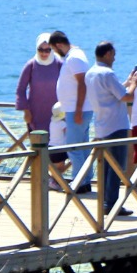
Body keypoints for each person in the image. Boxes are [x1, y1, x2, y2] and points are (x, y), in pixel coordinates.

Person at [84, 41, 137, 215]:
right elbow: (126, 97)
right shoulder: (108, 73)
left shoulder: (91, 73)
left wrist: (127, 81)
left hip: (101, 125)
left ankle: (105, 202)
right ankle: (112, 204)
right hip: (116, 125)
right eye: (113, 54)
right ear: (107, 54)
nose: (114, 58)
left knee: (105, 167)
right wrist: (135, 83)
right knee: (116, 167)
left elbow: (111, 92)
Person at [49, 31, 91, 190]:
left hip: (77, 110)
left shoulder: (74, 58)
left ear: (59, 45)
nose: (55, 53)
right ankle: (85, 180)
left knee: (73, 148)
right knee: (82, 147)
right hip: (76, 109)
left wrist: (78, 110)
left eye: (53, 49)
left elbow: (82, 83)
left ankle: (79, 181)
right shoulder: (74, 56)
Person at [14, 33, 62, 146]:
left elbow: (69, 86)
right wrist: (26, 111)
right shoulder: (31, 65)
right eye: (41, 49)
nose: (44, 53)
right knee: (38, 150)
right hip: (35, 115)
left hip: (57, 115)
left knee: (57, 153)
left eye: (47, 50)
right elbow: (20, 89)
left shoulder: (59, 64)